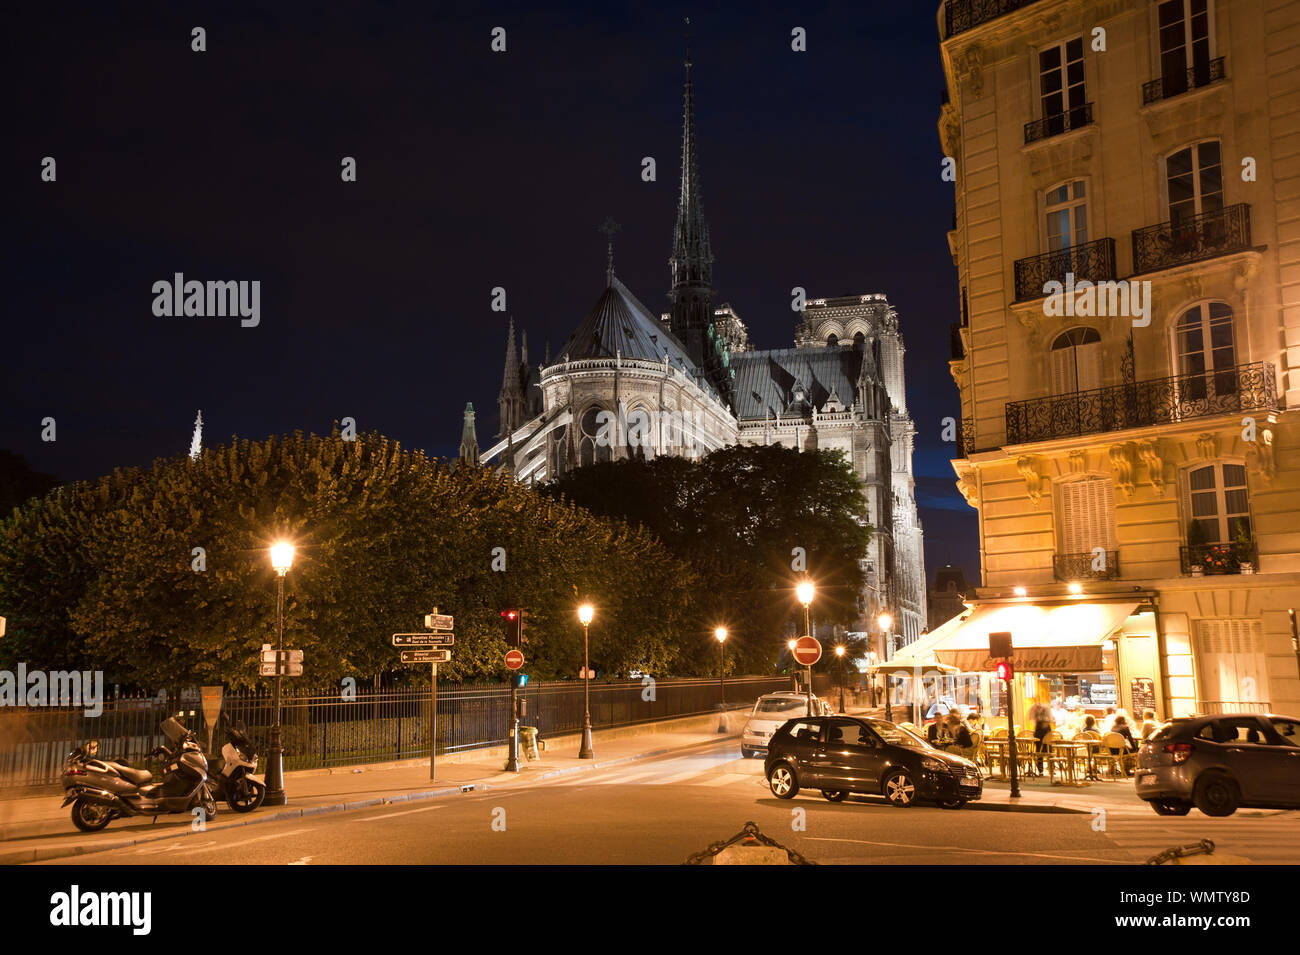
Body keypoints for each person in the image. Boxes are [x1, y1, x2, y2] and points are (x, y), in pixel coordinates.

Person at [1026, 698, 1052, 773]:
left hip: (1040, 731)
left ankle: (1042, 769)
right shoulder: (1045, 710)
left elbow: (1031, 719)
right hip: (1044, 731)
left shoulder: (1038, 710)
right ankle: (1048, 768)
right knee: (1047, 750)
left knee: (1041, 750)